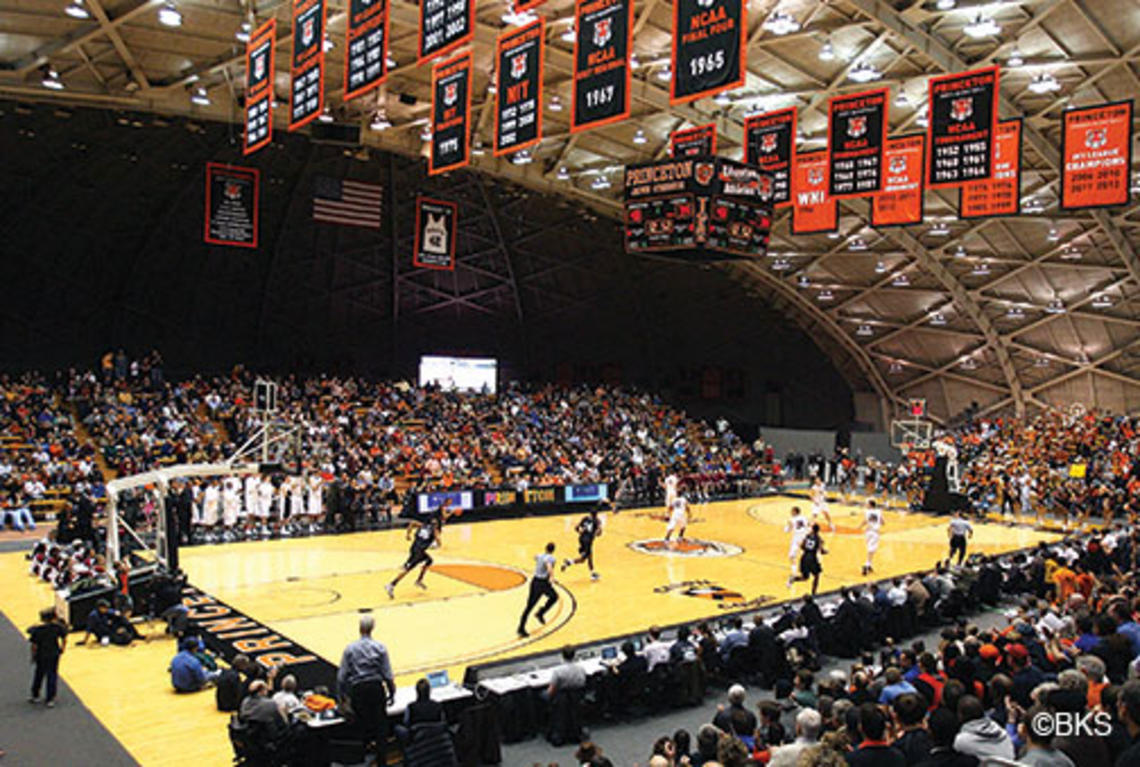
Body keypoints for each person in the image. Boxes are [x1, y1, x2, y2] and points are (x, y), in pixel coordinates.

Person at [337, 615, 396, 753]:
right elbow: (387, 674)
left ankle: (363, 757)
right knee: (381, 728)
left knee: (361, 726)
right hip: (376, 689)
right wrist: (392, 692)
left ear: (360, 628)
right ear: (372, 628)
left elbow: (341, 677)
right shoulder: (380, 647)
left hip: (358, 690)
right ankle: (382, 761)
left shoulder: (350, 649)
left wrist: (342, 697)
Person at [385, 518, 440, 598]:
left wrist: (408, 534)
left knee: (429, 560)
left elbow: (412, 523)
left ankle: (419, 580)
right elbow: (439, 541)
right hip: (419, 552)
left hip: (414, 548)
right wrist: (435, 545)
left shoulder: (422, 525)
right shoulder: (435, 531)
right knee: (408, 569)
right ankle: (391, 584)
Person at [517, 542, 559, 638]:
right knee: (552, 598)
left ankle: (540, 613)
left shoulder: (540, 555)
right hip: (542, 583)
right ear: (553, 550)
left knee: (554, 597)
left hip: (535, 581)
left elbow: (535, 557)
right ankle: (522, 627)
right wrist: (552, 577)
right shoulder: (551, 558)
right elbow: (549, 566)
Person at [27, 607, 66, 707]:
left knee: (39, 674)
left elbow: (34, 645)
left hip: (41, 654)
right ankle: (50, 698)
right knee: (52, 675)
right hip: (53, 654)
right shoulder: (57, 627)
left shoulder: (38, 630)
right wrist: (62, 648)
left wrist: (33, 656)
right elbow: (64, 637)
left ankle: (35, 695)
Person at [561, 507, 602, 580]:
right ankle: (569, 562)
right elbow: (599, 532)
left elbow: (576, 527)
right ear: (596, 514)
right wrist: (594, 534)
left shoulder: (585, 518)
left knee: (585, 558)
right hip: (588, 541)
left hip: (581, 539)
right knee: (587, 557)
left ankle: (592, 572)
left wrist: (581, 533)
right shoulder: (597, 521)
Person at [789, 523, 826, 594]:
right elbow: (821, 551)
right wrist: (825, 551)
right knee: (817, 576)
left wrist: (807, 549)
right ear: (818, 530)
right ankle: (814, 593)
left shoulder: (807, 536)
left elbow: (802, 546)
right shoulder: (819, 539)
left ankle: (793, 579)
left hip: (804, 557)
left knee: (805, 577)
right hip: (812, 558)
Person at [859, 499, 883, 575]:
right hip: (875, 532)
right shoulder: (879, 511)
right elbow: (883, 522)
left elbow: (865, 521)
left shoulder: (867, 511)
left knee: (870, 548)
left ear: (870, 505)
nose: (866, 505)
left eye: (867, 504)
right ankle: (867, 564)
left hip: (868, 532)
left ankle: (869, 564)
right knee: (872, 548)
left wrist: (859, 526)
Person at [785, 506, 811, 576]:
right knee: (806, 554)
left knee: (791, 556)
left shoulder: (791, 520)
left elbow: (787, 530)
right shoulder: (804, 518)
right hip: (804, 537)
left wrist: (787, 526)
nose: (791, 512)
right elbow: (809, 527)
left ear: (795, 512)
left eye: (792, 511)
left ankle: (794, 572)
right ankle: (808, 570)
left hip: (796, 538)